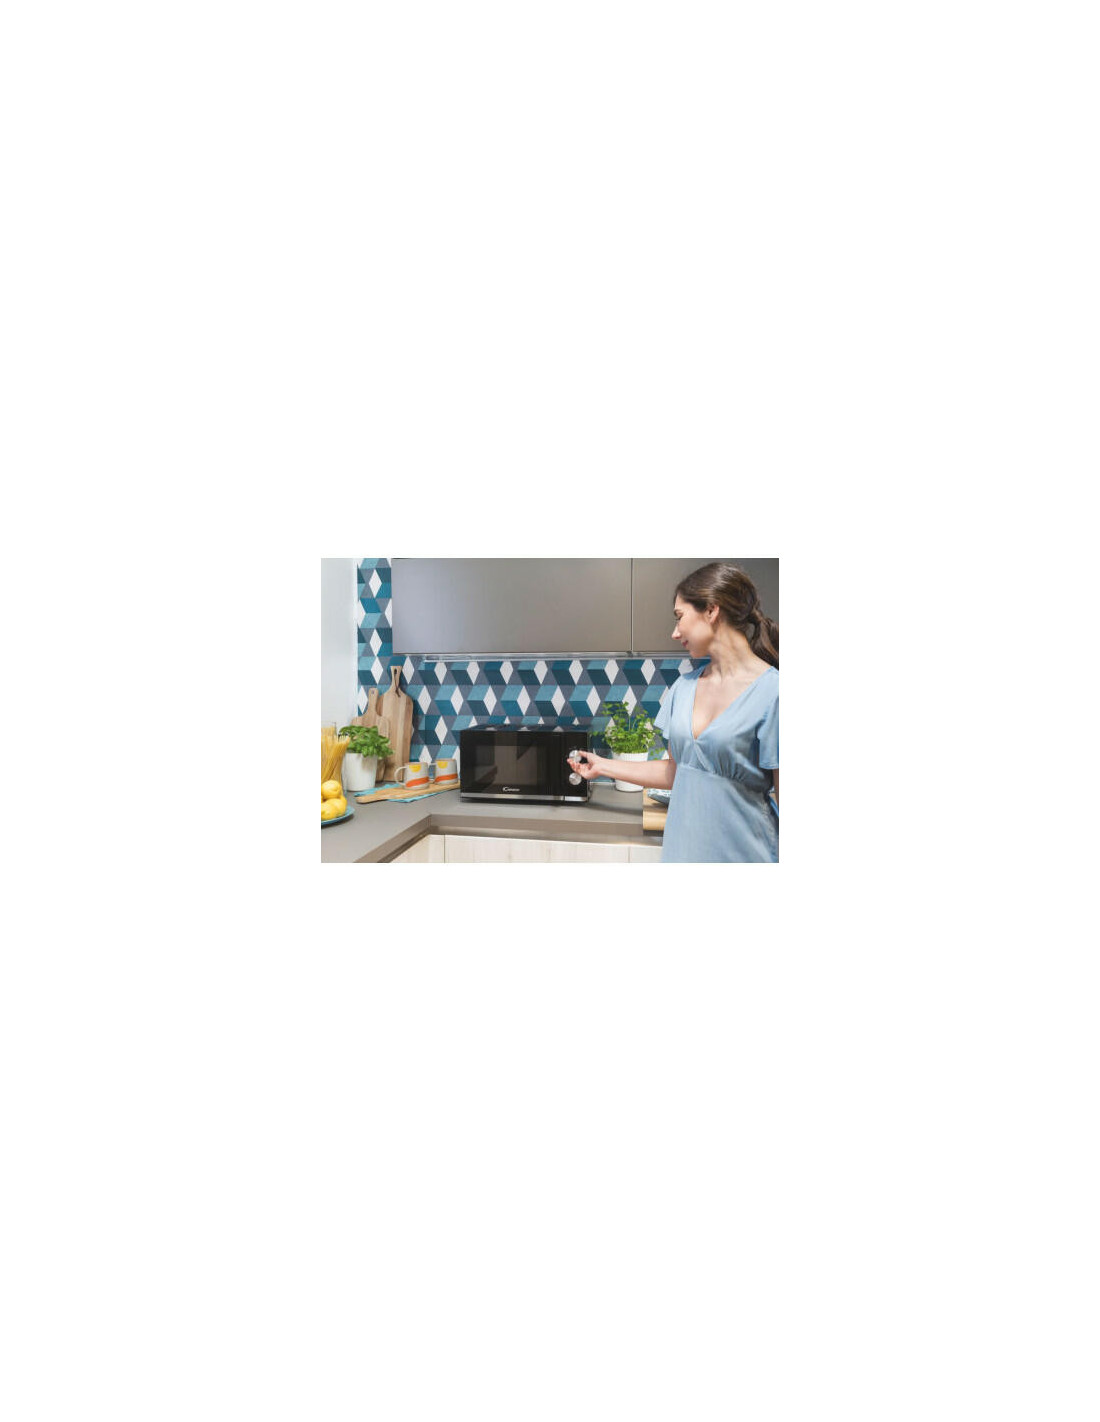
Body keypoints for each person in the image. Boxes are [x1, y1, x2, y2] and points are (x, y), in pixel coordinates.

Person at [569, 562, 779, 862]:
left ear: (711, 610)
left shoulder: (773, 692)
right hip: (682, 852)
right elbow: (677, 770)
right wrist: (602, 766)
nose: (674, 632)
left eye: (680, 617)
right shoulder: (683, 687)